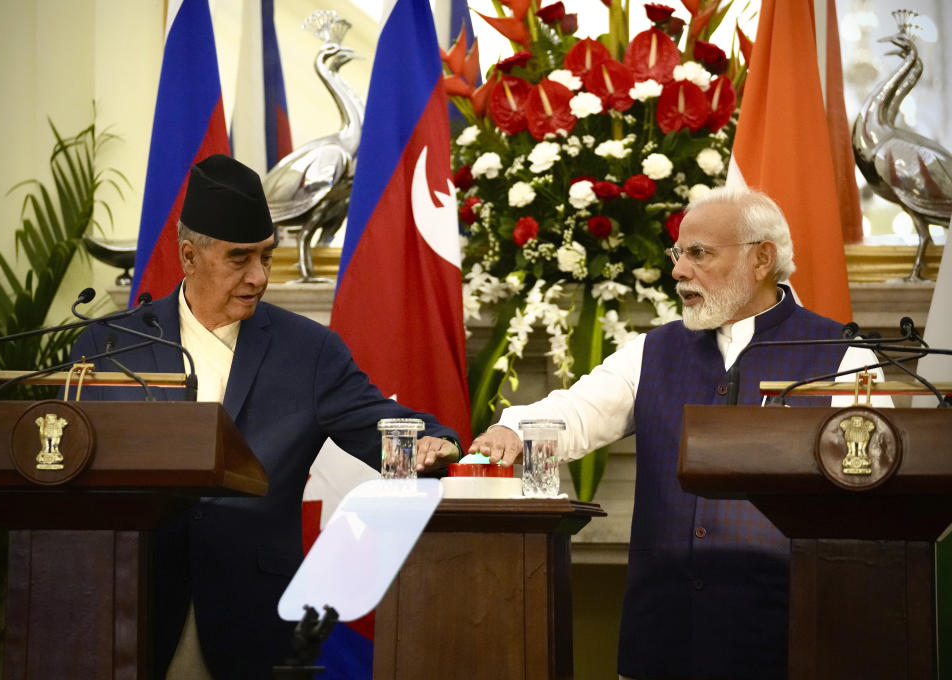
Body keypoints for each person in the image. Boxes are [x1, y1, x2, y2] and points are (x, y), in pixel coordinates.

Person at [469, 186, 888, 680]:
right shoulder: (653, 350)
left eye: (699, 254)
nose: (678, 271)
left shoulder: (843, 357)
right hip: (661, 638)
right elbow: (577, 410)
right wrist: (514, 429)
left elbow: (871, 498)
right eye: (677, 253)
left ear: (761, 259)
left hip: (785, 639)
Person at [69, 154, 459, 680]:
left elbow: (385, 429)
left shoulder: (309, 351)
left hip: (251, 611)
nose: (258, 277)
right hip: (130, 602)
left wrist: (435, 443)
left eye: (267, 257)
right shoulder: (112, 343)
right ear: (189, 255)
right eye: (239, 259)